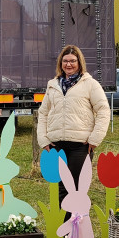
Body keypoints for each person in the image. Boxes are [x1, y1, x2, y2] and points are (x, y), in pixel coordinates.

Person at [36, 44, 111, 213]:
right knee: (62, 188)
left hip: (80, 145)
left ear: (79, 62)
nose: (68, 64)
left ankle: (77, 231)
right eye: (65, 61)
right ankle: (66, 233)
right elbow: (43, 113)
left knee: (77, 188)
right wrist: (43, 140)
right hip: (57, 145)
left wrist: (95, 139)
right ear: (60, 63)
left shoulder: (90, 84)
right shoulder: (53, 85)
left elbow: (103, 110)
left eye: (72, 61)